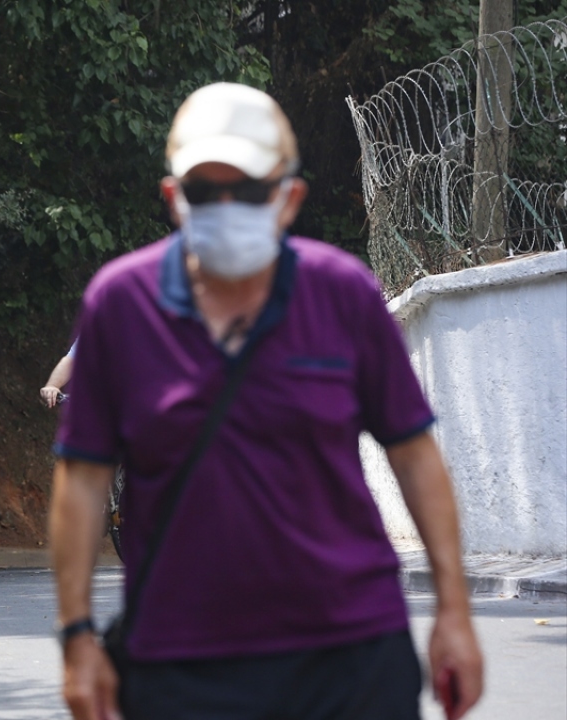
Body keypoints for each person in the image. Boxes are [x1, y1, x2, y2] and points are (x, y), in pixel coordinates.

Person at [49, 83, 483, 720]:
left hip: (351, 655)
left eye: (249, 190)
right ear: (174, 199)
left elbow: (415, 456)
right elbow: (83, 480)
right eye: (204, 191)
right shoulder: (121, 305)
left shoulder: (343, 294)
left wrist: (454, 612)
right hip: (179, 661)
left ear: (288, 198)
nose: (227, 207)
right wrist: (75, 637)